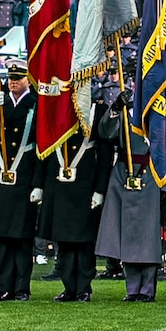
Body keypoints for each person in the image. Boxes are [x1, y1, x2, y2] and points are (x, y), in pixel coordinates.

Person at [34, 118, 112, 302]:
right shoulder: (56, 109)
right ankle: (69, 287)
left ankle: (83, 287)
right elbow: (44, 147)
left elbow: (105, 154)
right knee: (65, 241)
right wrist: (39, 184)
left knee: (84, 242)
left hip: (86, 183)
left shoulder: (95, 111)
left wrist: (100, 189)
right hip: (59, 183)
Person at [96, 84, 161, 302]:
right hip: (125, 173)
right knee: (128, 234)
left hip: (151, 174)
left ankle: (147, 289)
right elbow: (105, 133)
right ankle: (132, 288)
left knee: (147, 235)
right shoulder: (124, 111)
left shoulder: (158, 110)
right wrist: (115, 108)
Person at [0, 61, 40, 302]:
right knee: (4, 239)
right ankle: (4, 287)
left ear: (28, 80)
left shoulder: (35, 104)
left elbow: (40, 147)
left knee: (22, 240)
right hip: (2, 178)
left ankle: (22, 288)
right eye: (10, 78)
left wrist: (38, 184)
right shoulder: (0, 104)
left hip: (24, 176)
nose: (13, 82)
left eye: (18, 78)